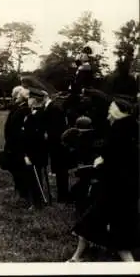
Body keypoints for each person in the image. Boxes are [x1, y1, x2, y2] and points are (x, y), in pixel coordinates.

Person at [67, 99, 139, 262]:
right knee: (91, 222)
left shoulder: (120, 132)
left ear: (116, 112)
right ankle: (76, 257)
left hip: (115, 188)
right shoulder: (131, 129)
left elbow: (114, 159)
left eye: (109, 111)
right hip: (125, 188)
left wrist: (100, 162)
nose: (107, 115)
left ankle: (132, 266)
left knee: (114, 232)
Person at [21, 87, 49, 210]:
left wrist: (28, 154)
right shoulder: (34, 114)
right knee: (33, 177)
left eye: (30, 98)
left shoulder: (38, 115)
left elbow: (33, 136)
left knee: (35, 178)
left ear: (35, 100)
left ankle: (37, 203)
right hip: (34, 151)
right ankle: (35, 200)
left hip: (35, 152)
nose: (28, 100)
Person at [2, 85, 31, 200]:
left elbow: (17, 128)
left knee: (17, 168)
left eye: (17, 95)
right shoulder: (17, 108)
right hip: (12, 142)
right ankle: (19, 189)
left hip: (16, 144)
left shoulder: (22, 110)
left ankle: (22, 191)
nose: (15, 97)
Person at [41, 89, 71, 203]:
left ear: (44, 98)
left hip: (58, 144)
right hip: (57, 143)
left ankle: (63, 196)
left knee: (61, 171)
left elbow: (55, 128)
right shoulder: (51, 107)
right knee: (60, 171)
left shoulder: (53, 108)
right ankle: (62, 195)